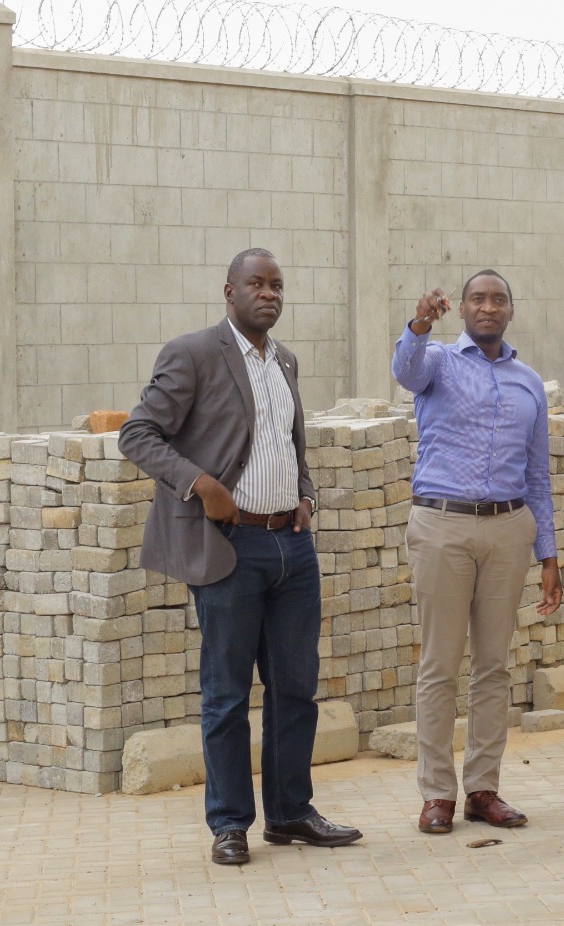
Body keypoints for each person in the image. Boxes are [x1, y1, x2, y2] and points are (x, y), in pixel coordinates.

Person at [120, 248, 362, 866]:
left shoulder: (285, 361)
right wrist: (201, 484)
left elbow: (289, 445)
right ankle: (229, 824)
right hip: (230, 547)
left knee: (295, 688)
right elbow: (138, 433)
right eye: (256, 284)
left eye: (277, 285)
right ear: (229, 292)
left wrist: (306, 494)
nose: (269, 294)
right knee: (226, 695)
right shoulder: (194, 353)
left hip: (292, 547)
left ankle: (290, 812)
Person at [393, 271, 562, 834]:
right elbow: (404, 371)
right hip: (442, 525)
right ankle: (437, 793)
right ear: (462, 309)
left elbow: (537, 474)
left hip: (508, 527)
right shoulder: (437, 361)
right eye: (478, 299)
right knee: (440, 665)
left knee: (493, 667)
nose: (488, 308)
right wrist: (419, 323)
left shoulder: (528, 382)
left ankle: (483, 789)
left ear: (510, 311)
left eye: (499, 300)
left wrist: (549, 555)